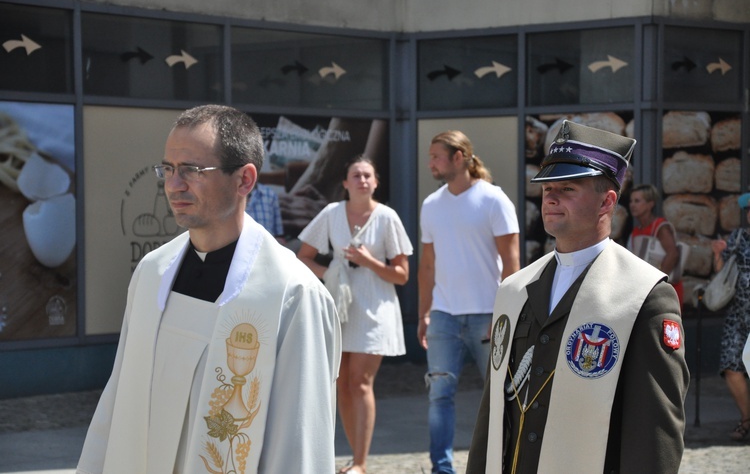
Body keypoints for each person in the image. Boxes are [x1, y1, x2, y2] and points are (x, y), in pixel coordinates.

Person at [76, 105, 341, 474]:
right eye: (168, 169)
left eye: (191, 170)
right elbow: (119, 398)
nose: (173, 184)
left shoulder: (292, 295)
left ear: (245, 179)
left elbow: (299, 440)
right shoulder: (152, 273)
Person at [467, 120, 689, 474]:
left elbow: (654, 430)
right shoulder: (515, 289)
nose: (551, 197)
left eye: (568, 188)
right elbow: (492, 413)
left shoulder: (644, 295)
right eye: (547, 188)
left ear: (607, 201)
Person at [297, 155, 413, 474]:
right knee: (342, 383)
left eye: (367, 176)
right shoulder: (331, 213)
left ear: (376, 183)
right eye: (356, 175)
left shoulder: (387, 217)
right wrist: (331, 272)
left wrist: (369, 262)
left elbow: (402, 274)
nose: (362, 180)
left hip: (375, 307)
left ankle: (360, 463)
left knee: (360, 381)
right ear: (345, 183)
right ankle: (353, 458)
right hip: (339, 306)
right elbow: (303, 257)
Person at [418, 130, 520, 474]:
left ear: (459, 157)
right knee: (439, 396)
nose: (430, 162)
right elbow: (427, 265)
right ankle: (441, 469)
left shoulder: (494, 200)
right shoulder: (431, 205)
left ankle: (502, 465)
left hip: (487, 316)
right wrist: (424, 312)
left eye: (436, 156)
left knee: (500, 396)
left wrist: (503, 314)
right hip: (444, 316)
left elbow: (512, 264)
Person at [711, 192, 750, 441]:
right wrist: (717, 254)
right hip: (738, 314)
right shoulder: (738, 237)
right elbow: (722, 273)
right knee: (730, 365)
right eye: (748, 210)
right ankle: (747, 419)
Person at [628, 183, 684, 307]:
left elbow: (673, 254)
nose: (632, 205)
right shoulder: (636, 231)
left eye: (637, 201)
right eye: (631, 201)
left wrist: (657, 283)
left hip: (665, 291)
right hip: (647, 291)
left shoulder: (661, 227)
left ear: (650, 204)